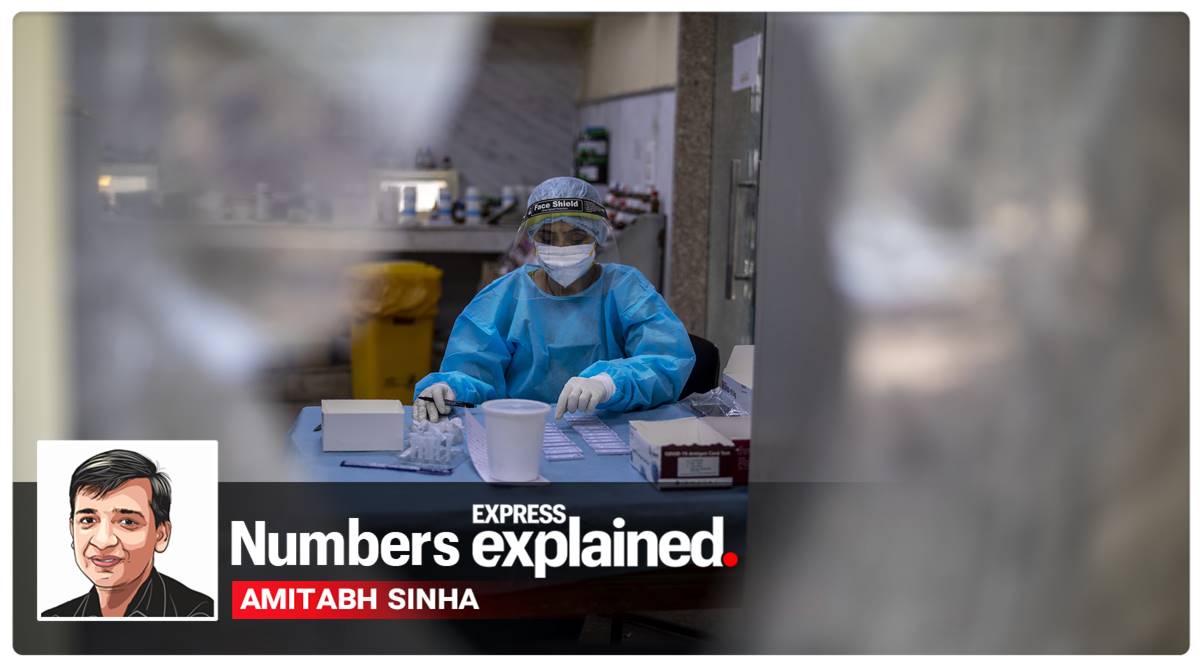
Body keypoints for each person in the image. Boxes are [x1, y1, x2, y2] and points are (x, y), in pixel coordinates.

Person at [413, 176, 695, 422]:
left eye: (575, 237)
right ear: (533, 240)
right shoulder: (505, 297)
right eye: (548, 237)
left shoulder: (626, 290)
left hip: (610, 428)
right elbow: (473, 371)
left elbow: (667, 359)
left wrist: (609, 383)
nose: (561, 248)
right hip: (523, 431)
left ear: (597, 237)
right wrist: (449, 389)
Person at [41, 449, 214, 618]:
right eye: (88, 520)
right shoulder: (55, 620)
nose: (103, 541)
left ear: (161, 535)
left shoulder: (197, 614)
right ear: (72, 529)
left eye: (127, 522)